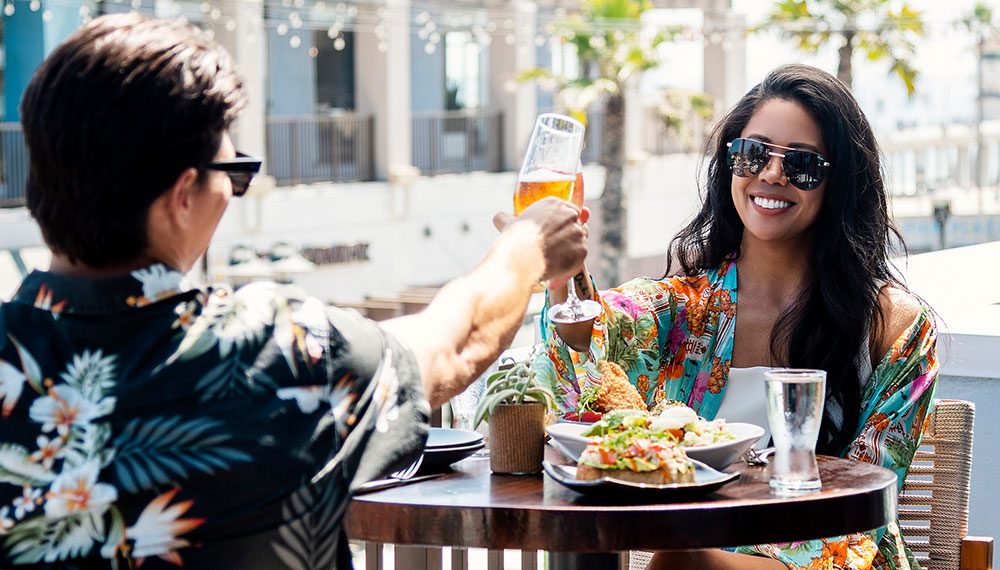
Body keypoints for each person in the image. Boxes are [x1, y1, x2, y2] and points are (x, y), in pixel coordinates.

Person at [0, 13, 589, 569]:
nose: (234, 195)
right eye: (235, 175)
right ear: (182, 196)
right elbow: (450, 348)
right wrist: (530, 245)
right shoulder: (269, 350)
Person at [536, 64, 937, 570]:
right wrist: (562, 280)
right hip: (694, 555)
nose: (772, 173)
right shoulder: (682, 310)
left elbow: (866, 509)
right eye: (754, 154)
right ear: (731, 165)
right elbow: (580, 353)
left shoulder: (894, 329)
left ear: (839, 184)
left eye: (803, 163)